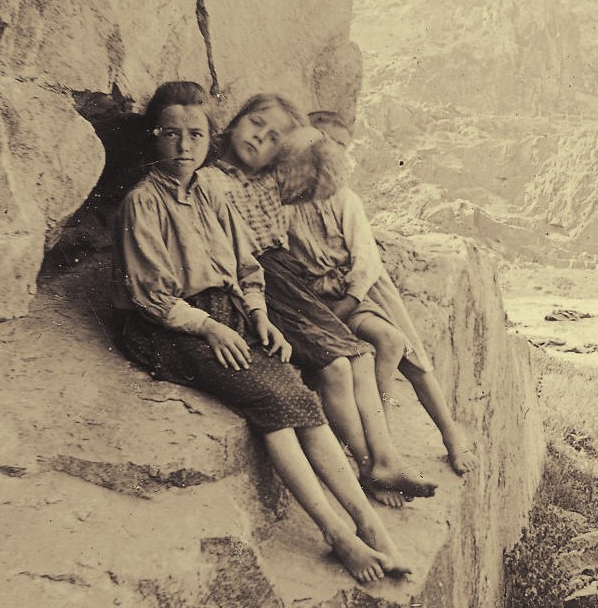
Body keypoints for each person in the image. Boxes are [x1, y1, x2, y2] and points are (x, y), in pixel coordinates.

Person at [112, 81, 409, 582]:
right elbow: (151, 296)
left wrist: (259, 316)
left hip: (226, 312)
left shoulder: (211, 191)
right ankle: (338, 535)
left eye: (195, 135)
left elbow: (247, 268)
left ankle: (370, 525)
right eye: (171, 134)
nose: (185, 146)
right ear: (154, 138)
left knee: (299, 395)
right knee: (272, 400)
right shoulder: (143, 202)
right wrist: (209, 329)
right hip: (167, 327)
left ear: (210, 137)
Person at [212, 93, 436, 505]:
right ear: (233, 122)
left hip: (288, 278)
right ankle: (370, 463)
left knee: (362, 356)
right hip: (263, 280)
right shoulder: (212, 181)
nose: (261, 137)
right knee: (335, 367)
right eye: (256, 123)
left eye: (274, 137)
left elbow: (319, 166)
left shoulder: (270, 180)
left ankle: (385, 459)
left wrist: (298, 137)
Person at [277, 110, 477, 475]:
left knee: (404, 349)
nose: (329, 150)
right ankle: (375, 445)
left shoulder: (345, 199)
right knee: (367, 352)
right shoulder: (286, 200)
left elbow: (366, 262)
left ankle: (450, 436)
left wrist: (349, 300)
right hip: (318, 299)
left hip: (363, 290)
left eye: (340, 145)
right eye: (320, 140)